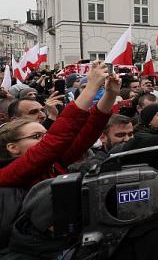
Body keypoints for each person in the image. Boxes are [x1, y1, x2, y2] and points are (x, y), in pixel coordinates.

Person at [0, 61, 118, 189]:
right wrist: (91, 86)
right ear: (12, 147)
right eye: (36, 136)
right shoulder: (6, 174)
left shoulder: (54, 162)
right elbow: (55, 139)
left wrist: (110, 95)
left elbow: (88, 131)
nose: (44, 140)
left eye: (45, 135)